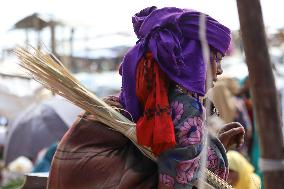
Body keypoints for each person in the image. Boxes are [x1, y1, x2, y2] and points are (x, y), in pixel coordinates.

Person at [48, 6, 245, 189]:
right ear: (194, 57)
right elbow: (178, 182)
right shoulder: (184, 107)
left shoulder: (135, 101)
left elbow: (174, 158)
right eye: (216, 59)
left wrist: (217, 144)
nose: (219, 70)